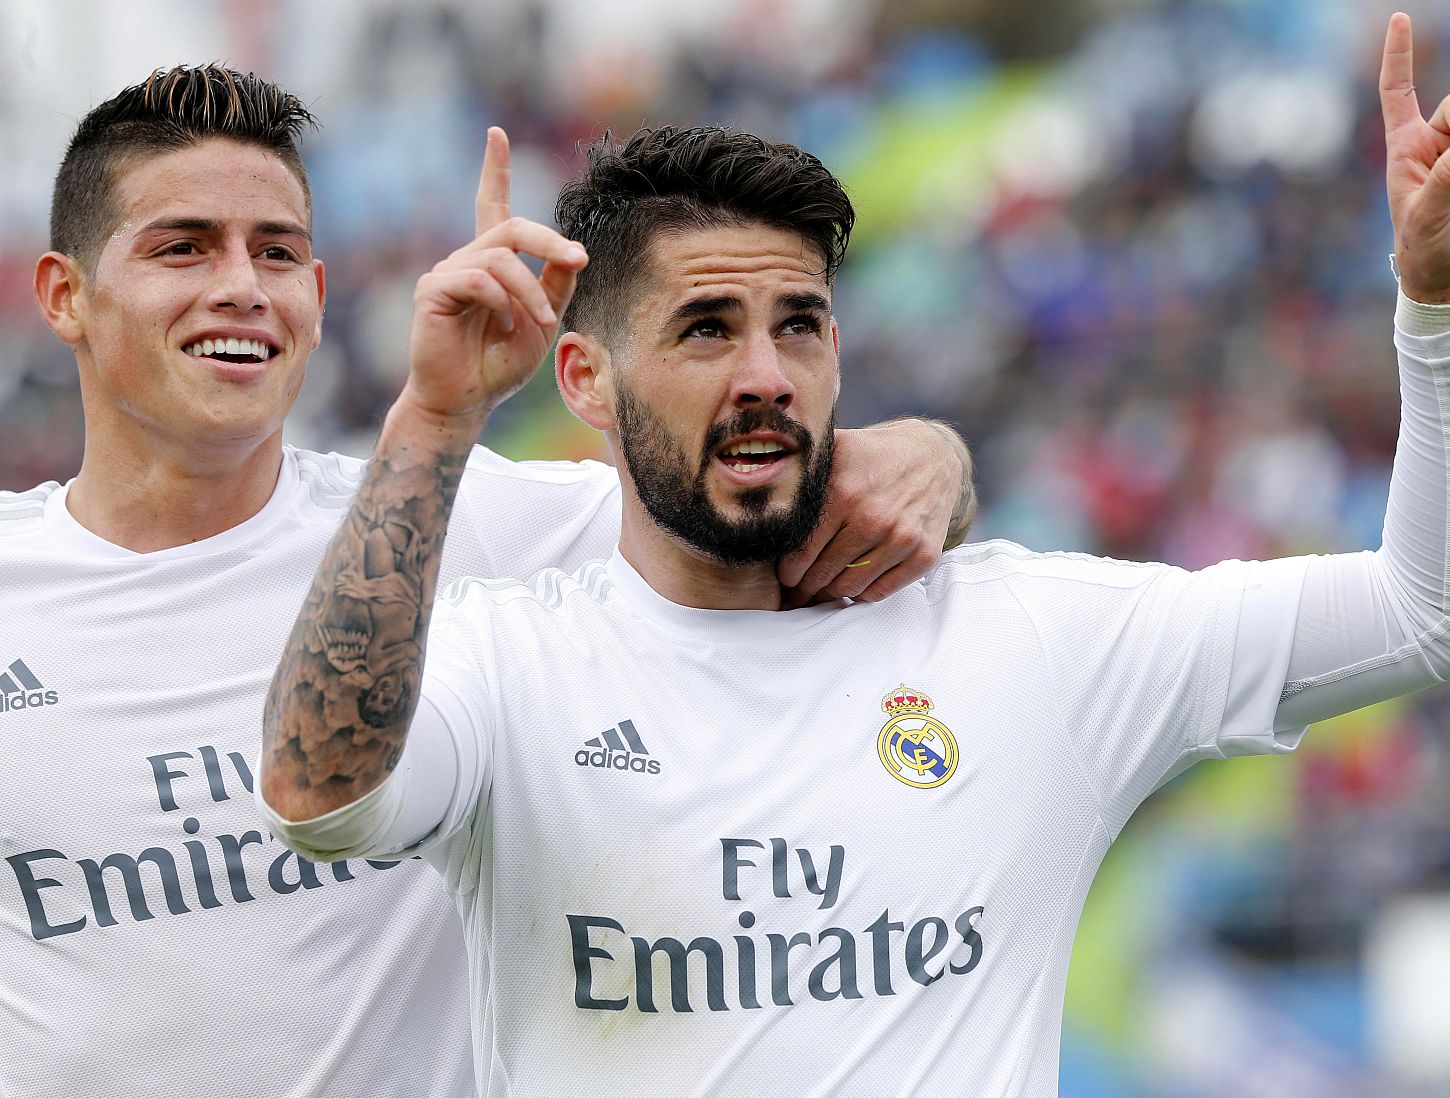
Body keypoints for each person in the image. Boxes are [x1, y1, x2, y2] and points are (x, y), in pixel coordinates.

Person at [262, 13, 1450, 1094]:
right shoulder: (511, 662)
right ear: (585, 378)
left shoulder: (1027, 640)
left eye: (798, 325)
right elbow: (320, 798)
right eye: (706, 328)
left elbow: (1440, 609)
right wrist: (435, 418)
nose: (766, 373)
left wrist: (1449, 313)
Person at [0, 66, 975, 1098]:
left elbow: (758, 499)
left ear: (317, 298)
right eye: (183, 247)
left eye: (276, 252)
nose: (242, 285)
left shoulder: (476, 525)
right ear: (65, 294)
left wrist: (933, 455)